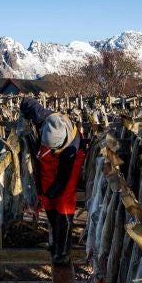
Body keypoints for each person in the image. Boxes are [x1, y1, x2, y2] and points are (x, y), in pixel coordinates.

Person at [19, 96, 86, 265]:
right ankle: (54, 238)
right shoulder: (42, 116)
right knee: (48, 198)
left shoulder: (71, 149)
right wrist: (23, 113)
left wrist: (50, 191)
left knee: (63, 199)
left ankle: (63, 252)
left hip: (71, 162)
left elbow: (62, 180)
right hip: (46, 159)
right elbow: (27, 101)